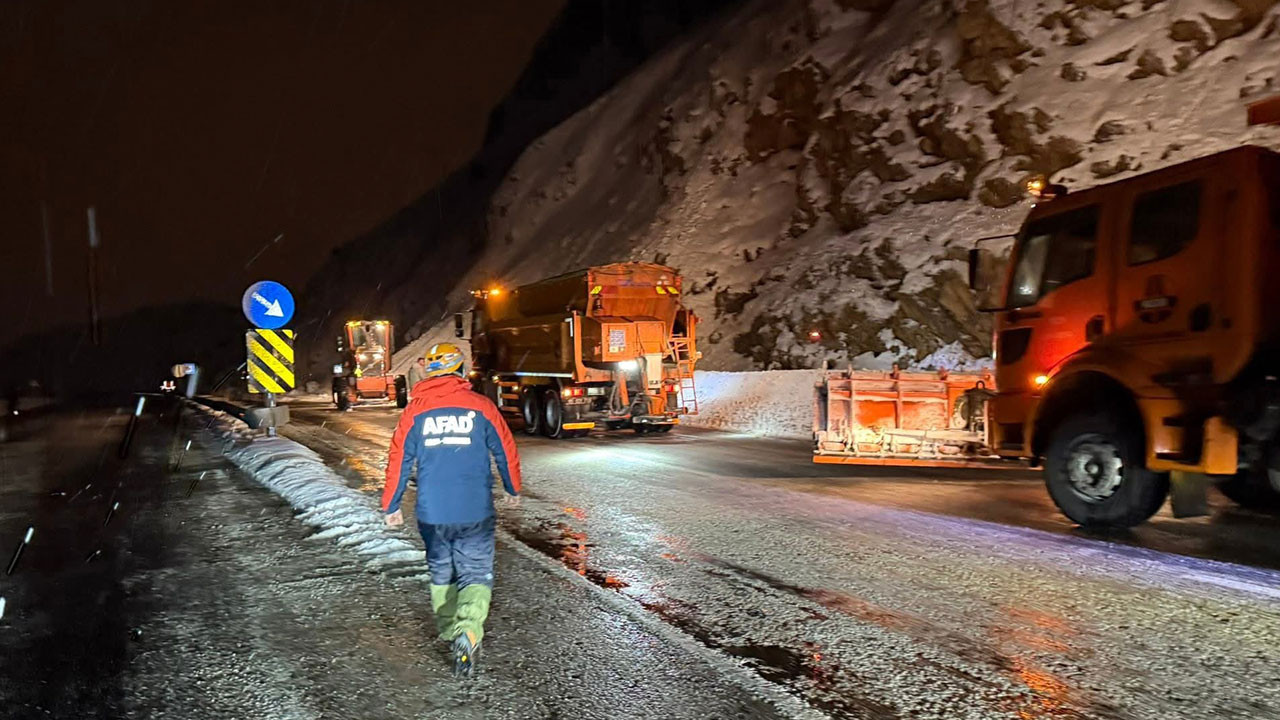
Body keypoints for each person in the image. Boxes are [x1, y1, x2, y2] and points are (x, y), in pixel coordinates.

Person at [382, 342, 521, 676]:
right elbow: (505, 449)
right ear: (460, 371)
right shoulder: (481, 407)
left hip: (433, 512)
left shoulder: (415, 412)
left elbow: (398, 461)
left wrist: (391, 504)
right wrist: (512, 487)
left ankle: (448, 632)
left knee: (441, 570)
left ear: (428, 372)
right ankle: (468, 630)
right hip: (475, 510)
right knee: (475, 571)